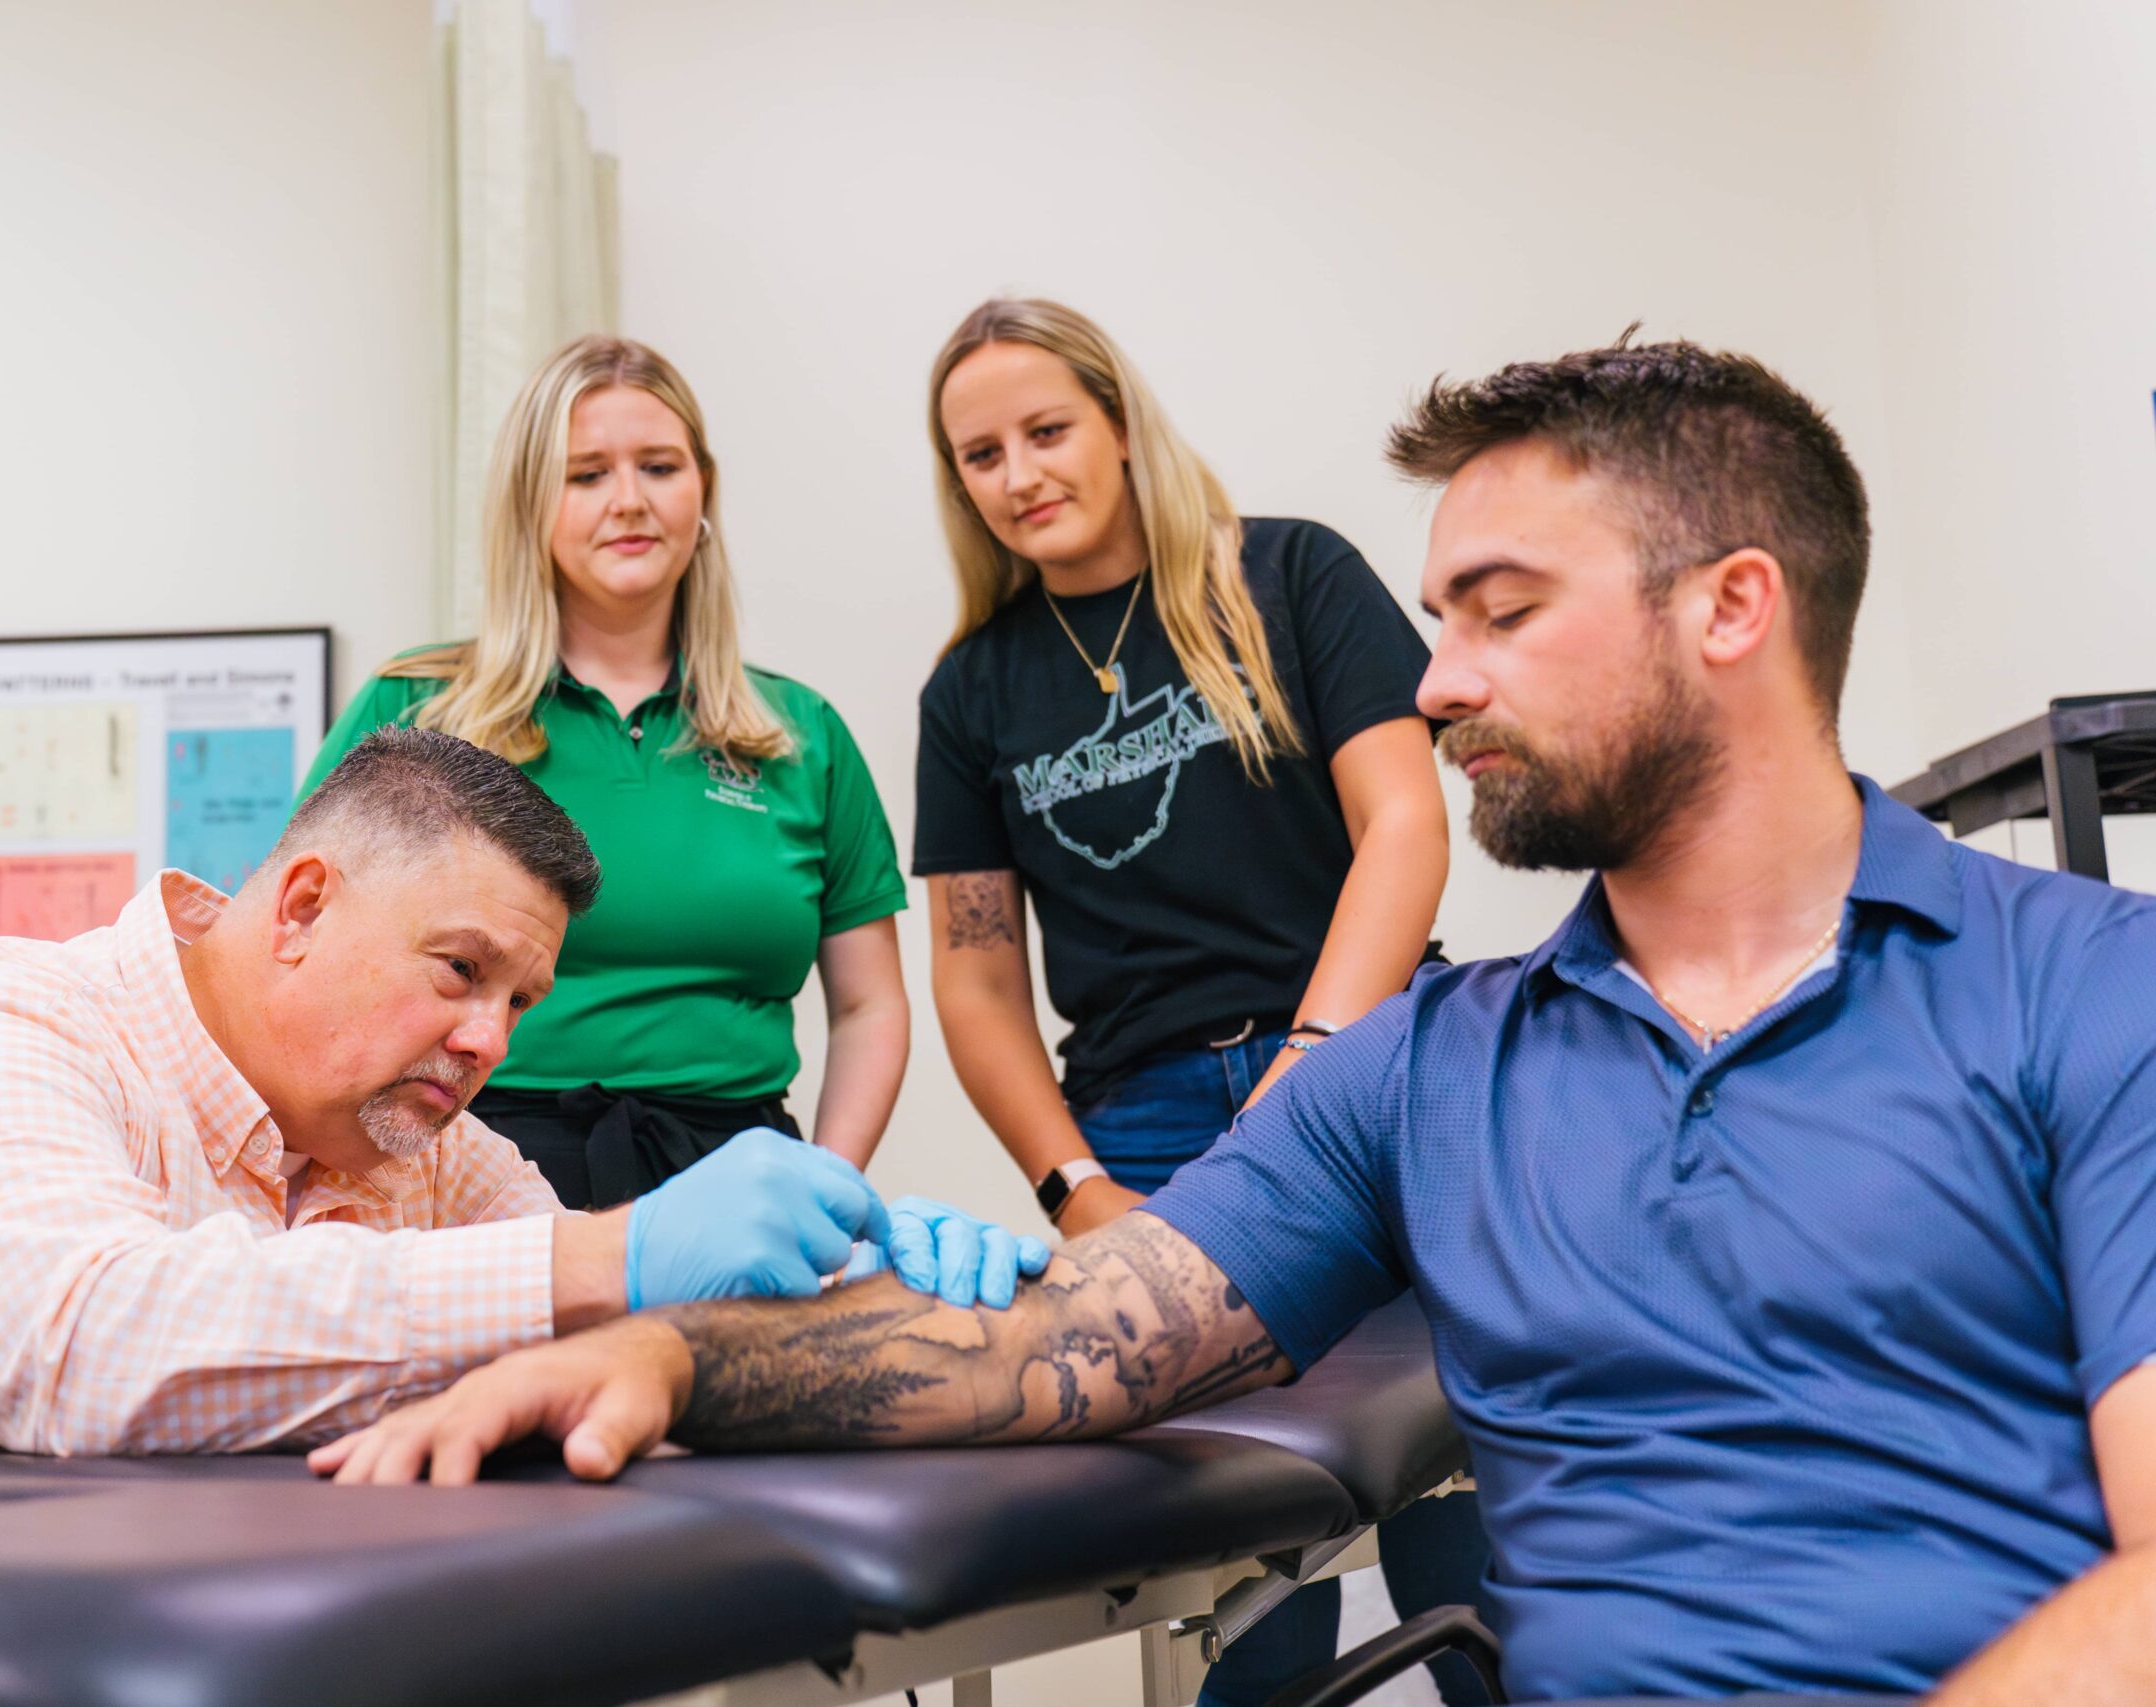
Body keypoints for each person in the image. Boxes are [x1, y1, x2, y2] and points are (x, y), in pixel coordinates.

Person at [313, 340, 2156, 1706]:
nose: (1437, 682)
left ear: (1734, 609)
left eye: (1503, 614)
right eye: (1441, 617)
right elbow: (1059, 1353)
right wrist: (678, 1364)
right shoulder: (1434, 1073)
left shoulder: (2091, 988)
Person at [0, 729, 1037, 1479]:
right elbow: (97, 1346)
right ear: (300, 907)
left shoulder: (416, 1139)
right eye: (460, 971)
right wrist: (623, 1249)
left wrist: (864, 1276)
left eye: (520, 1002)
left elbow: (600, 1329)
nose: (488, 1041)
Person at [912, 297, 1476, 1703]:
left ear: (1117, 421)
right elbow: (977, 970)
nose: (1020, 472)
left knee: (1467, 1511)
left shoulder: (1287, 575)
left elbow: (1404, 825)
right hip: (1154, 1129)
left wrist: (1314, 1060)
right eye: (981, 453)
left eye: (1047, 429)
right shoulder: (972, 690)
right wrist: (1071, 1184)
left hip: (1381, 1073)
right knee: (1244, 1569)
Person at [299, 336, 910, 1211]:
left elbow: (870, 1007)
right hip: (464, 1162)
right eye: (586, 475)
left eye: (658, 466)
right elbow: (303, 942)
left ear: (702, 489)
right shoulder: (418, 706)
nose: (629, 501)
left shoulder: (799, 734)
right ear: (531, 503)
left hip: (740, 1176)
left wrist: (827, 1184)